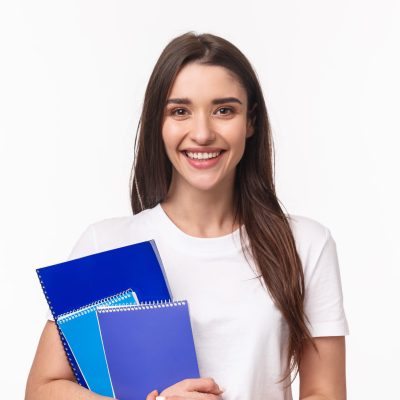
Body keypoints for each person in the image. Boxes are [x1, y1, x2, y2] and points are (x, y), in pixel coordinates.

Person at [25, 31, 349, 400]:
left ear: (251, 122)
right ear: (157, 123)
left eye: (224, 110)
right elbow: (41, 389)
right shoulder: (107, 244)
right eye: (180, 111)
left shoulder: (305, 244)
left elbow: (325, 393)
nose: (202, 132)